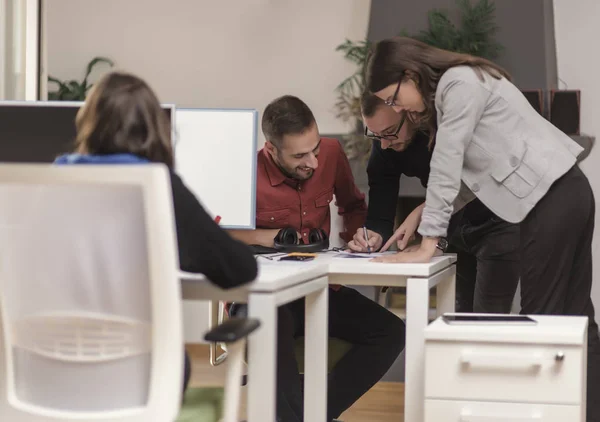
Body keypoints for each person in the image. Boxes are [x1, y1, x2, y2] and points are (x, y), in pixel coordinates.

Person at [365, 36, 600, 421]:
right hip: (566, 192)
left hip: (552, 200)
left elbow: (447, 161)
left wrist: (430, 242)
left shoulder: (457, 84)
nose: (397, 108)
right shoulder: (462, 85)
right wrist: (421, 214)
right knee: (576, 320)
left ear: (409, 75)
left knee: (542, 326)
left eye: (393, 98)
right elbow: (475, 181)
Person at [53, 71, 258, 395]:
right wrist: (186, 252)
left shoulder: (46, 186)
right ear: (155, 130)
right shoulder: (161, 188)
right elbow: (239, 270)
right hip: (139, 381)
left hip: (48, 378)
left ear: (88, 124)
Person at [228, 95, 405, 422]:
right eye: (299, 155)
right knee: (271, 324)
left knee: (391, 332)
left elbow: (352, 206)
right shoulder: (244, 171)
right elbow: (219, 234)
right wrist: (266, 237)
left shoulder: (332, 154)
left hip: (315, 291)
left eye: (315, 149)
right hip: (260, 297)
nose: (312, 161)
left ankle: (311, 412)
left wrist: (359, 235)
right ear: (271, 149)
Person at [348, 92, 520, 313]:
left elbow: (479, 181)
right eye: (374, 134)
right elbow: (380, 213)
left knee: (487, 321)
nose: (383, 144)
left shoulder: (445, 129)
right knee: (460, 320)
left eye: (389, 133)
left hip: (498, 221)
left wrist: (423, 209)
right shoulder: (384, 145)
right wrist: (373, 236)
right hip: (455, 226)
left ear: (410, 114)